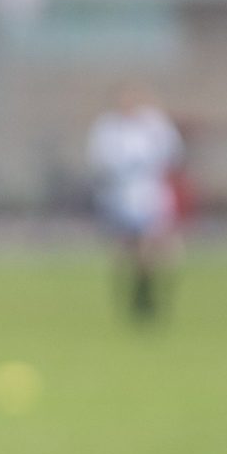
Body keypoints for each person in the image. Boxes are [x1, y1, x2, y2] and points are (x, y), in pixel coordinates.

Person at [86, 84, 183, 324]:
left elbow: (172, 155)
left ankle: (151, 293)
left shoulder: (154, 125)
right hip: (120, 197)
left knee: (156, 246)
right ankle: (132, 296)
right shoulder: (108, 129)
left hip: (150, 195)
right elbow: (100, 162)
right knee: (126, 250)